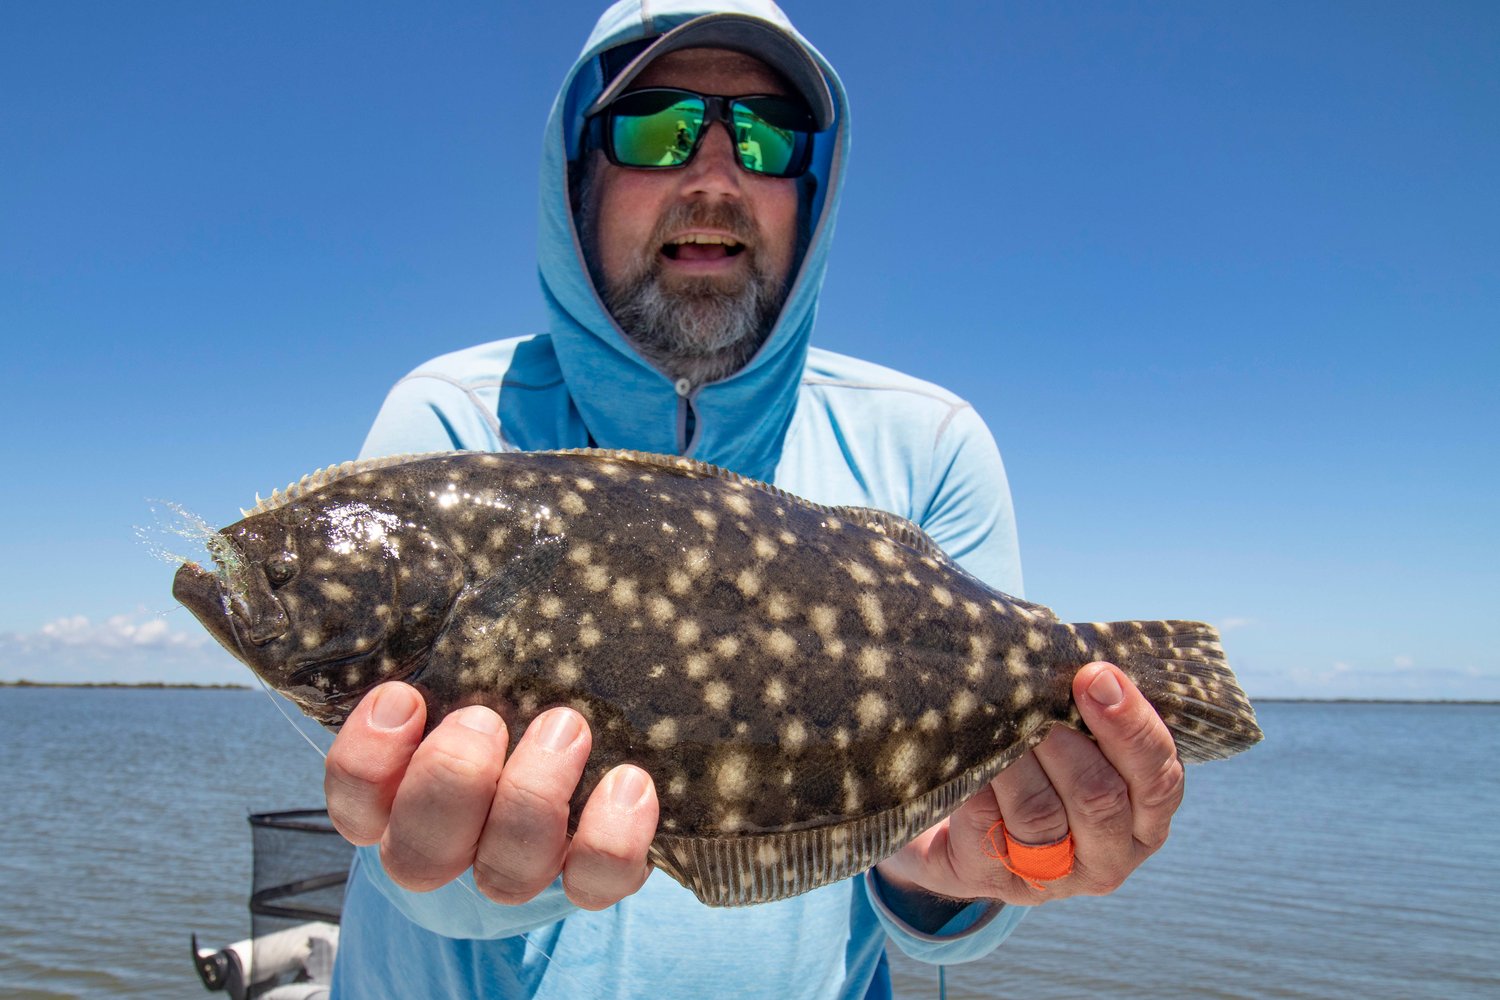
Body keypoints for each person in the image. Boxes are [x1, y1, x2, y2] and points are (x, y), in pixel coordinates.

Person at [324, 2, 1185, 997]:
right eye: (658, 127)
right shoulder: (455, 431)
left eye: (768, 137)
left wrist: (999, 860)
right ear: (579, 175)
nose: (716, 177)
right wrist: (451, 855)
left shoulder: (929, 443)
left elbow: (951, 874)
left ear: (810, 192)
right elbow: (420, 873)